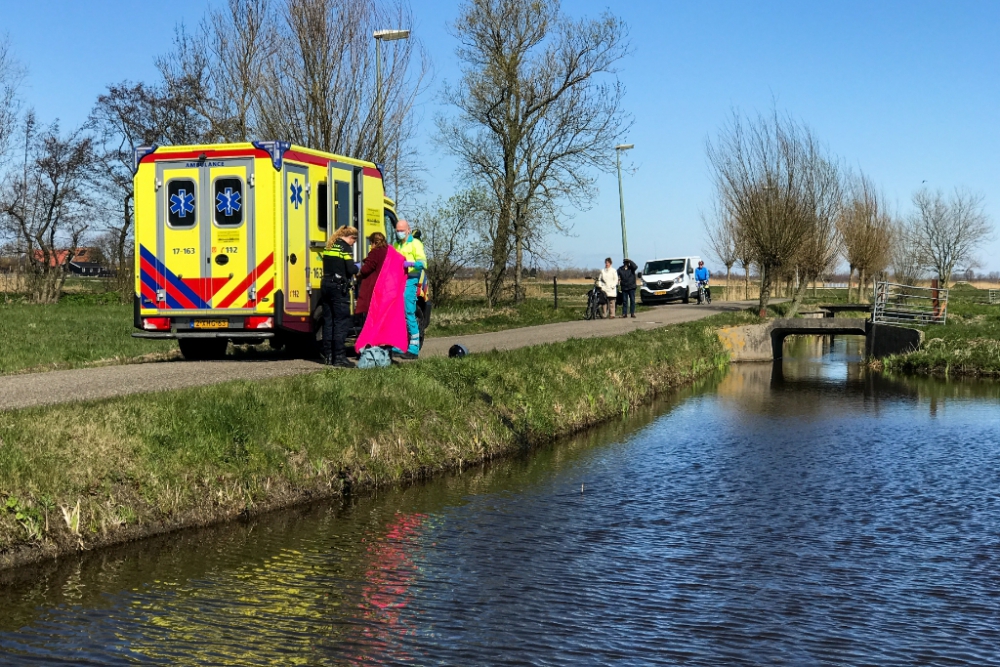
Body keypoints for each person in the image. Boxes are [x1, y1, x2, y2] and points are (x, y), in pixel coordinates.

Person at [321, 226, 359, 367]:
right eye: (354, 241)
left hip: (325, 285)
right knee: (341, 322)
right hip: (338, 288)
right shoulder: (345, 248)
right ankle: (339, 357)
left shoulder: (329, 246)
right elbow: (350, 269)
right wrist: (358, 267)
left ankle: (328, 356)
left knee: (328, 322)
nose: (353, 244)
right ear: (350, 237)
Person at [393, 218, 426, 358]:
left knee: (408, 312)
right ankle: (399, 345)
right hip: (399, 280)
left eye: (401, 230)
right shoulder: (396, 244)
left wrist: (409, 264)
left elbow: (423, 262)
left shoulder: (415, 244)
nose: (399, 233)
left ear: (408, 229)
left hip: (411, 280)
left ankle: (413, 348)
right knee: (398, 313)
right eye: (397, 231)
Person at [355, 232, 389, 328]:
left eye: (371, 243)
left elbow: (366, 269)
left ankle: (372, 340)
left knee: (372, 315)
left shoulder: (375, 252)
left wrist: (358, 272)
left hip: (374, 286)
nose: (370, 245)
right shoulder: (387, 251)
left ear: (374, 242)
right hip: (384, 286)